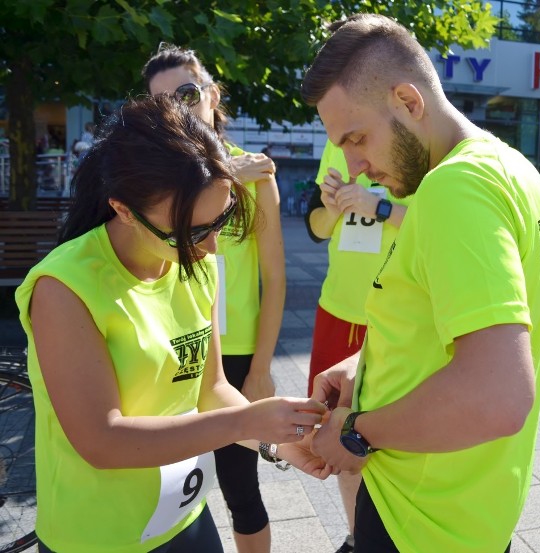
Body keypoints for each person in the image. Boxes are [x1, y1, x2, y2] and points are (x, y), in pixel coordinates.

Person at [14, 96, 330, 553]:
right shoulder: (64, 287)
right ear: (123, 210)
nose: (212, 248)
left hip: (184, 519)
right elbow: (102, 441)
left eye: (221, 220)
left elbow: (210, 388)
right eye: (191, 232)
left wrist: (275, 442)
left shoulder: (193, 262)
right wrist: (248, 420)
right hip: (99, 535)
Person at [301, 14, 540, 552]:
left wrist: (356, 431)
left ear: (408, 101)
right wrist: (361, 369)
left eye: (357, 138)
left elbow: (499, 395)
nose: (354, 165)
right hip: (469, 507)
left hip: (418, 518)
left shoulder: (453, 190)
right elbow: (454, 331)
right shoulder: (511, 168)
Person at [143, 45, 286, 553]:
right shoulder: (150, 184)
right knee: (166, 488)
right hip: (171, 350)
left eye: (188, 93)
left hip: (238, 352)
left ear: (212, 95)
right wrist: (220, 171)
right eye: (163, 103)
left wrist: (263, 366)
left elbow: (274, 276)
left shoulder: (255, 172)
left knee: (240, 491)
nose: (180, 110)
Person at [305, 139, 409, 553]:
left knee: (386, 440)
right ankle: (354, 535)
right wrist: (333, 209)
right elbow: (316, 228)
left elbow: (437, 222)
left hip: (391, 316)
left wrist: (378, 206)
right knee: (336, 433)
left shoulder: (413, 141)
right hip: (337, 309)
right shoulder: (335, 144)